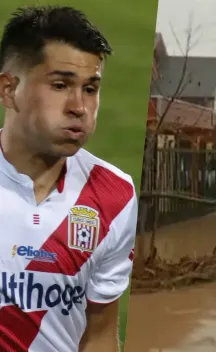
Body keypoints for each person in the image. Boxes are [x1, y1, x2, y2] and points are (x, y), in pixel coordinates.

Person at [0, 6, 137, 351]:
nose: (79, 106)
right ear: (8, 90)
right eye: (60, 85)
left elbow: (101, 333)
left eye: (90, 89)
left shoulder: (115, 197)